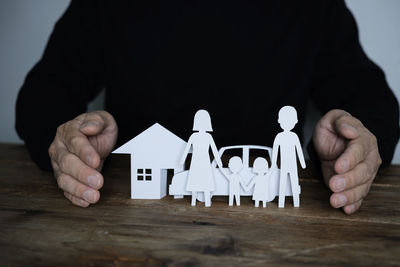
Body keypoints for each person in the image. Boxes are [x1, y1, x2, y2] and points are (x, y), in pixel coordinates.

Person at [15, 1, 399, 213]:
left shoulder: (313, 9)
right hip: (132, 218)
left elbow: (372, 100)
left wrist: (357, 143)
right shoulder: (107, 8)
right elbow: (41, 97)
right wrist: (67, 139)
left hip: (272, 222)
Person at [180, 110, 222, 207]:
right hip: (196, 161)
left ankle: (207, 202)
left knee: (205, 181)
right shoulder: (194, 136)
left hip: (204, 161)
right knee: (196, 181)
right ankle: (194, 201)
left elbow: (214, 150)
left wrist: (219, 162)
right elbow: (186, 149)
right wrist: (182, 160)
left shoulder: (208, 136)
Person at [272, 106, 306, 208]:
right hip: (284, 165)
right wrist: (273, 163)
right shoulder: (279, 136)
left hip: (293, 165)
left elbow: (299, 150)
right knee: (282, 183)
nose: (287, 123)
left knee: (294, 183)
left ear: (295, 121)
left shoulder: (294, 136)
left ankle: (296, 202)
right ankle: (281, 202)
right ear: (279, 121)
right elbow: (275, 151)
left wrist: (303, 163)